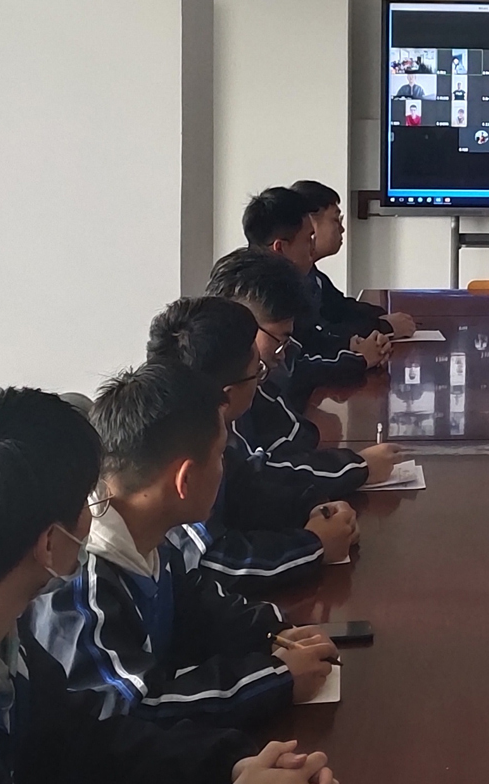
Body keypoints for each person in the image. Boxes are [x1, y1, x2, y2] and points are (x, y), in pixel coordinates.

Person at [0, 388, 341, 783]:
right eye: (87, 503)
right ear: (50, 544)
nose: (98, 513)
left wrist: (230, 766)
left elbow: (90, 741)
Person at [28, 363, 339, 728]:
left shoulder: (149, 537)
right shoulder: (82, 588)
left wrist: (272, 633)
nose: (225, 467)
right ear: (185, 479)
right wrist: (275, 680)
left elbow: (196, 605)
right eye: (220, 454)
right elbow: (138, 708)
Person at [146, 297, 361, 590]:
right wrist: (314, 546)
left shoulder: (209, 429)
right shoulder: (177, 453)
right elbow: (213, 561)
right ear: (227, 396)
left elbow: (250, 488)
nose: (262, 381)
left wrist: (313, 506)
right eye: (257, 371)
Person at [206, 248, 400, 499]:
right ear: (241, 324)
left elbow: (298, 435)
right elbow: (257, 480)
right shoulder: (218, 397)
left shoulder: (256, 380)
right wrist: (357, 468)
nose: (282, 354)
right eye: (279, 339)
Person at [243, 188, 382, 403]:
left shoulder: (283, 281)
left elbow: (309, 340)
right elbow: (291, 374)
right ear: (280, 248)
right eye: (309, 239)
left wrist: (350, 346)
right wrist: (358, 360)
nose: (312, 247)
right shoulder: (259, 293)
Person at [289, 180, 416, 341]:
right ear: (310, 222)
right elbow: (320, 335)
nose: (342, 229)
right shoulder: (289, 281)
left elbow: (340, 308)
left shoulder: (312, 275)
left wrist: (383, 317)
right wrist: (385, 326)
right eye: (336, 220)